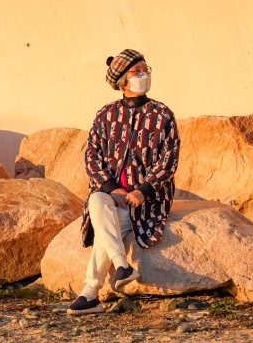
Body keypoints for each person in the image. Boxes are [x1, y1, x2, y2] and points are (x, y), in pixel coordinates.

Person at [68, 49, 180, 315]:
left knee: (111, 222)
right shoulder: (106, 115)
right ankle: (121, 264)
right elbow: (91, 156)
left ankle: (91, 292)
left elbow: (169, 160)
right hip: (111, 194)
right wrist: (110, 188)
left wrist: (143, 190)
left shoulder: (162, 114)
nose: (144, 75)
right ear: (121, 80)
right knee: (97, 200)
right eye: (136, 71)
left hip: (146, 198)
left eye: (146, 69)